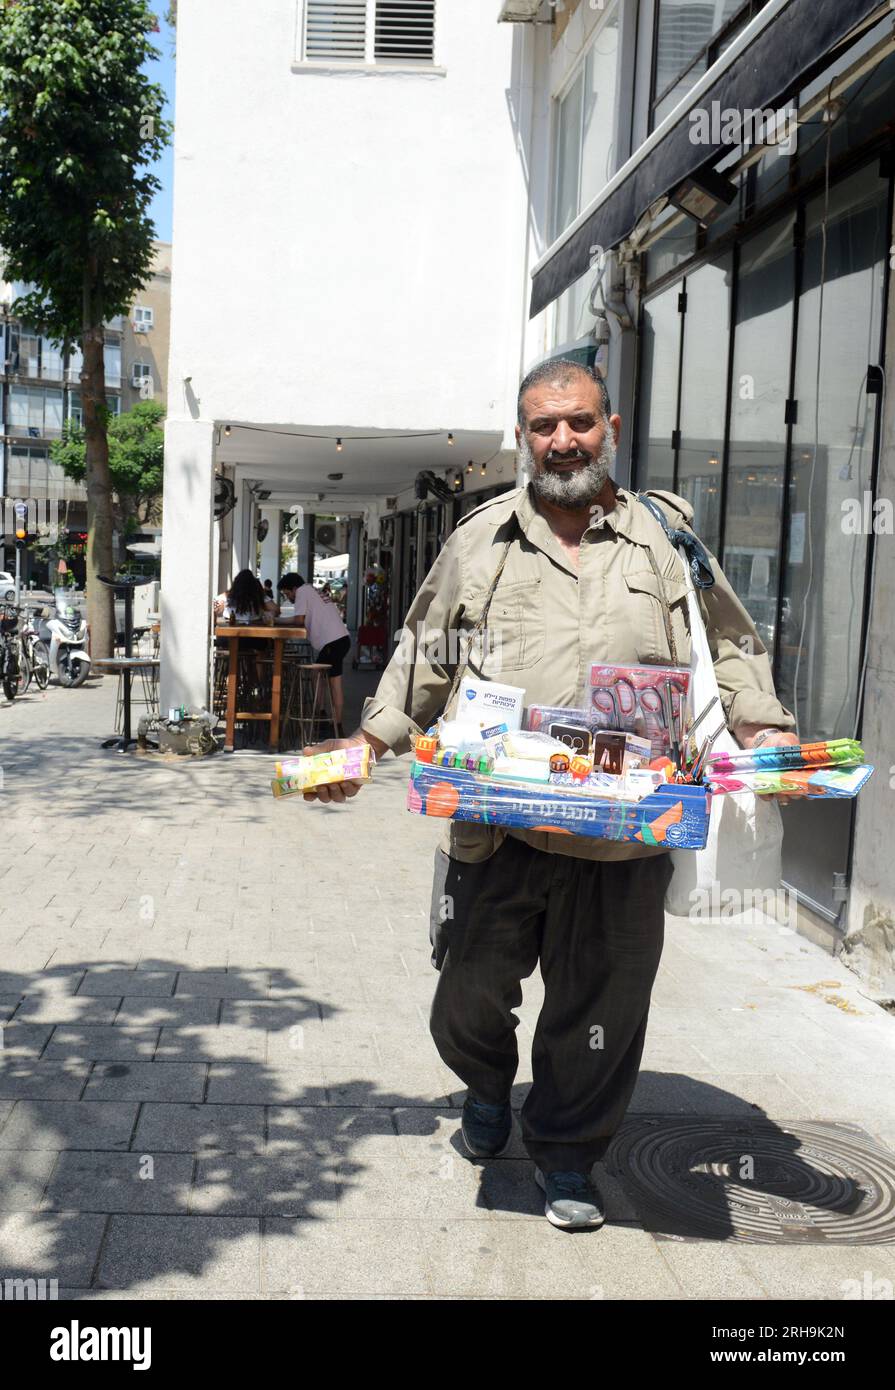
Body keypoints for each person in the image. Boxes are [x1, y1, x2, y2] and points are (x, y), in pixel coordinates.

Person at [302, 360, 799, 1231]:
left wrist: (764, 728)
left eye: (578, 422)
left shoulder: (666, 538)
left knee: (601, 1008)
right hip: (499, 827)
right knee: (465, 997)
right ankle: (486, 1083)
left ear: (608, 423)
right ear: (524, 436)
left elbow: (728, 642)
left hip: (626, 832)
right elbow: (424, 651)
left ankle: (567, 1156)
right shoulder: (481, 539)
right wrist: (363, 746)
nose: (562, 440)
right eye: (543, 427)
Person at [277, 572, 351, 735]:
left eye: (287, 593)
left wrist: (276, 621)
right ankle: (328, 721)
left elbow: (298, 620)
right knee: (322, 678)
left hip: (333, 641)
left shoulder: (302, 591)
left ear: (294, 588)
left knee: (328, 682)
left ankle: (327, 723)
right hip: (340, 639)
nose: (288, 597)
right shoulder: (311, 590)